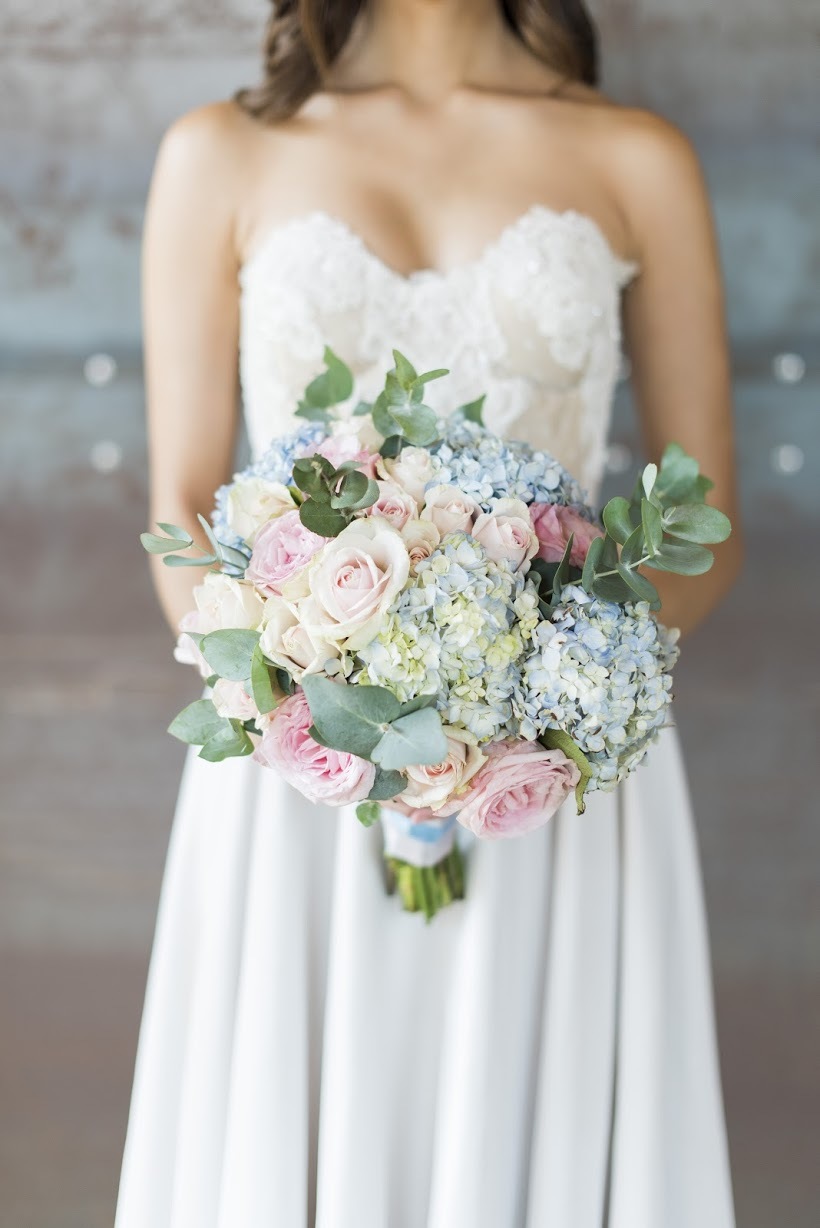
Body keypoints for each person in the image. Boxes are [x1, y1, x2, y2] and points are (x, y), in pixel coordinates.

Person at [115, 2, 744, 1225]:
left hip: (557, 777)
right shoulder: (219, 155)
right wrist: (322, 687)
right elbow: (182, 511)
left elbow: (702, 525)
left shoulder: (635, 158)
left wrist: (525, 710)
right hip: (295, 769)